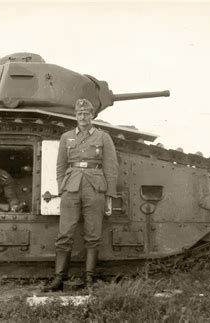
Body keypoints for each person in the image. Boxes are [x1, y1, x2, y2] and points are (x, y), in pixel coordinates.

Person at [43, 98, 118, 292]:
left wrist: (109, 194)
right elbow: (60, 165)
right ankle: (59, 278)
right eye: (79, 114)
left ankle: (90, 279)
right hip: (72, 187)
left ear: (92, 115)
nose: (83, 117)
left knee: (93, 234)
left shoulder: (103, 137)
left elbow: (111, 166)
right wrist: (62, 187)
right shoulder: (66, 137)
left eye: (86, 114)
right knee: (64, 233)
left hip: (95, 187)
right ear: (75, 116)